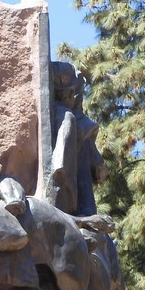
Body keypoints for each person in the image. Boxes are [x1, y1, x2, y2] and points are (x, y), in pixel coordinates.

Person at [49, 61, 107, 216]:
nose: (69, 97)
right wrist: (99, 163)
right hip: (64, 190)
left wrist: (98, 163)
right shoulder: (68, 116)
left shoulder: (72, 117)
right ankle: (86, 213)